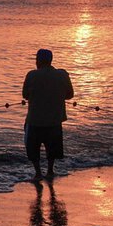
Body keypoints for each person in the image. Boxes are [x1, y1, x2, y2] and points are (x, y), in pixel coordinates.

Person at [22, 48, 74, 181]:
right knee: (52, 148)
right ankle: (50, 171)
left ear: (38, 61)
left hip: (35, 120)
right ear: (51, 60)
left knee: (33, 149)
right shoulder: (62, 74)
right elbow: (70, 95)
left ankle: (38, 172)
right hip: (54, 120)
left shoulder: (31, 75)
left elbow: (25, 95)